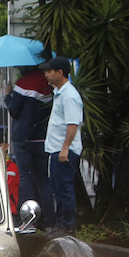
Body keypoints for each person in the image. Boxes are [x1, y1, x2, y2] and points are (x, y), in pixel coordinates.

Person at [4, 66, 53, 225]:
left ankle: (29, 218)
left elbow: (14, 110)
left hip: (23, 138)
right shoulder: (48, 83)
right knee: (43, 179)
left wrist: (8, 95)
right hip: (42, 138)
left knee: (25, 177)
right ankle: (48, 218)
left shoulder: (23, 83)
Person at [41, 56, 83, 231]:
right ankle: (61, 223)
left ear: (60, 73)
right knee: (57, 187)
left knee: (64, 189)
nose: (46, 75)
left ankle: (66, 225)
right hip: (57, 149)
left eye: (50, 71)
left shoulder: (69, 95)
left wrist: (65, 148)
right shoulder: (60, 93)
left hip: (64, 151)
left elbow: (73, 123)